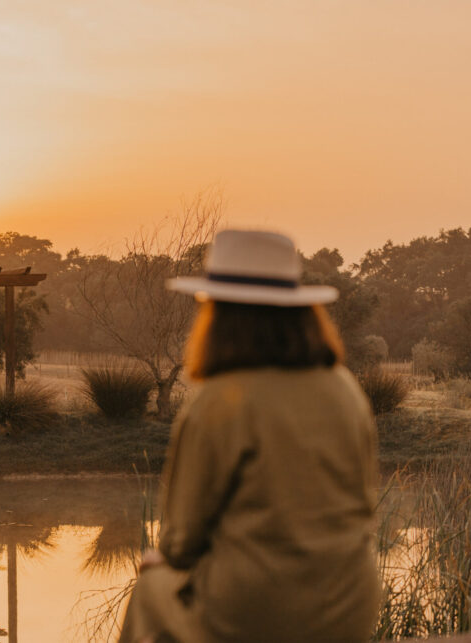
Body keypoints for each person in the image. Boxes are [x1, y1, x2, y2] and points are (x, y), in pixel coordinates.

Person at [118, 229, 380, 643]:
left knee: (151, 587)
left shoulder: (220, 400)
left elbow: (180, 542)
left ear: (219, 317)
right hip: (351, 605)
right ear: (302, 313)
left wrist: (164, 564)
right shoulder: (345, 388)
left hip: (257, 612)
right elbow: (364, 502)